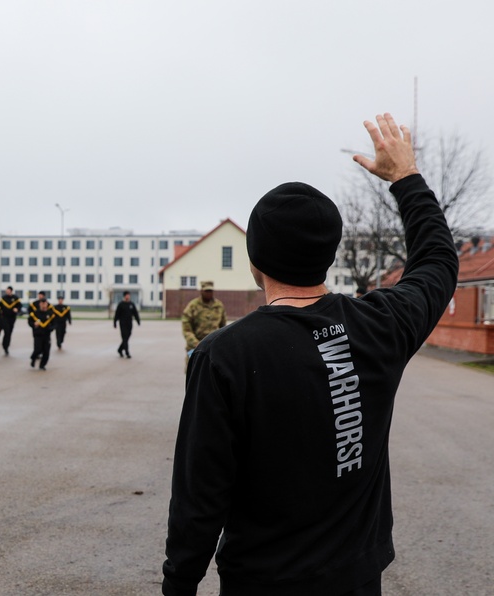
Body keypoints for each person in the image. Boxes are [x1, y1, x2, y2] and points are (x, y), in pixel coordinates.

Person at [161, 114, 459, 596]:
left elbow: (200, 497)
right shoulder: (381, 325)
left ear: (255, 262)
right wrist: (407, 178)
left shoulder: (224, 357)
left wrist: (179, 583)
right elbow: (439, 262)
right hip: (358, 579)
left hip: (263, 582)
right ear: (330, 254)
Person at [180, 281, 227, 365]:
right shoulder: (193, 306)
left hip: (212, 348)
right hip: (195, 347)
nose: (209, 293)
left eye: (210, 291)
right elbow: (186, 329)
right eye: (206, 291)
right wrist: (197, 344)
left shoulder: (219, 306)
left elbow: (223, 327)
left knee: (211, 375)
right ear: (201, 291)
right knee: (194, 375)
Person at [28, 299, 56, 370]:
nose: (43, 305)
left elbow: (55, 324)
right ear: (40, 304)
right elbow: (29, 321)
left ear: (47, 304)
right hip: (38, 335)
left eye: (45, 303)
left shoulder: (50, 314)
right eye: (42, 303)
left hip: (46, 335)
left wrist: (51, 328)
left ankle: (42, 365)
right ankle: (33, 358)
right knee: (37, 349)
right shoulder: (35, 313)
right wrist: (34, 324)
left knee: (46, 351)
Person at [113, 291, 140, 358]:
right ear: (124, 296)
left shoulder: (131, 304)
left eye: (129, 295)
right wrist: (115, 322)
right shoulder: (121, 304)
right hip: (122, 323)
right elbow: (117, 314)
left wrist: (138, 320)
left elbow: (135, 313)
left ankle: (120, 349)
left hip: (129, 323)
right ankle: (127, 352)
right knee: (124, 337)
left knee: (127, 337)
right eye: (127, 295)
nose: (128, 296)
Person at [0, 286, 22, 356]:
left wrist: (17, 309)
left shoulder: (15, 298)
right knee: (7, 331)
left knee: (9, 332)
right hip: (4, 317)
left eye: (8, 290)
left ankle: (6, 346)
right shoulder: (3, 298)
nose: (7, 291)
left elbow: (19, 306)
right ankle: (4, 345)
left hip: (12, 318)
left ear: (11, 291)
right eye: (6, 290)